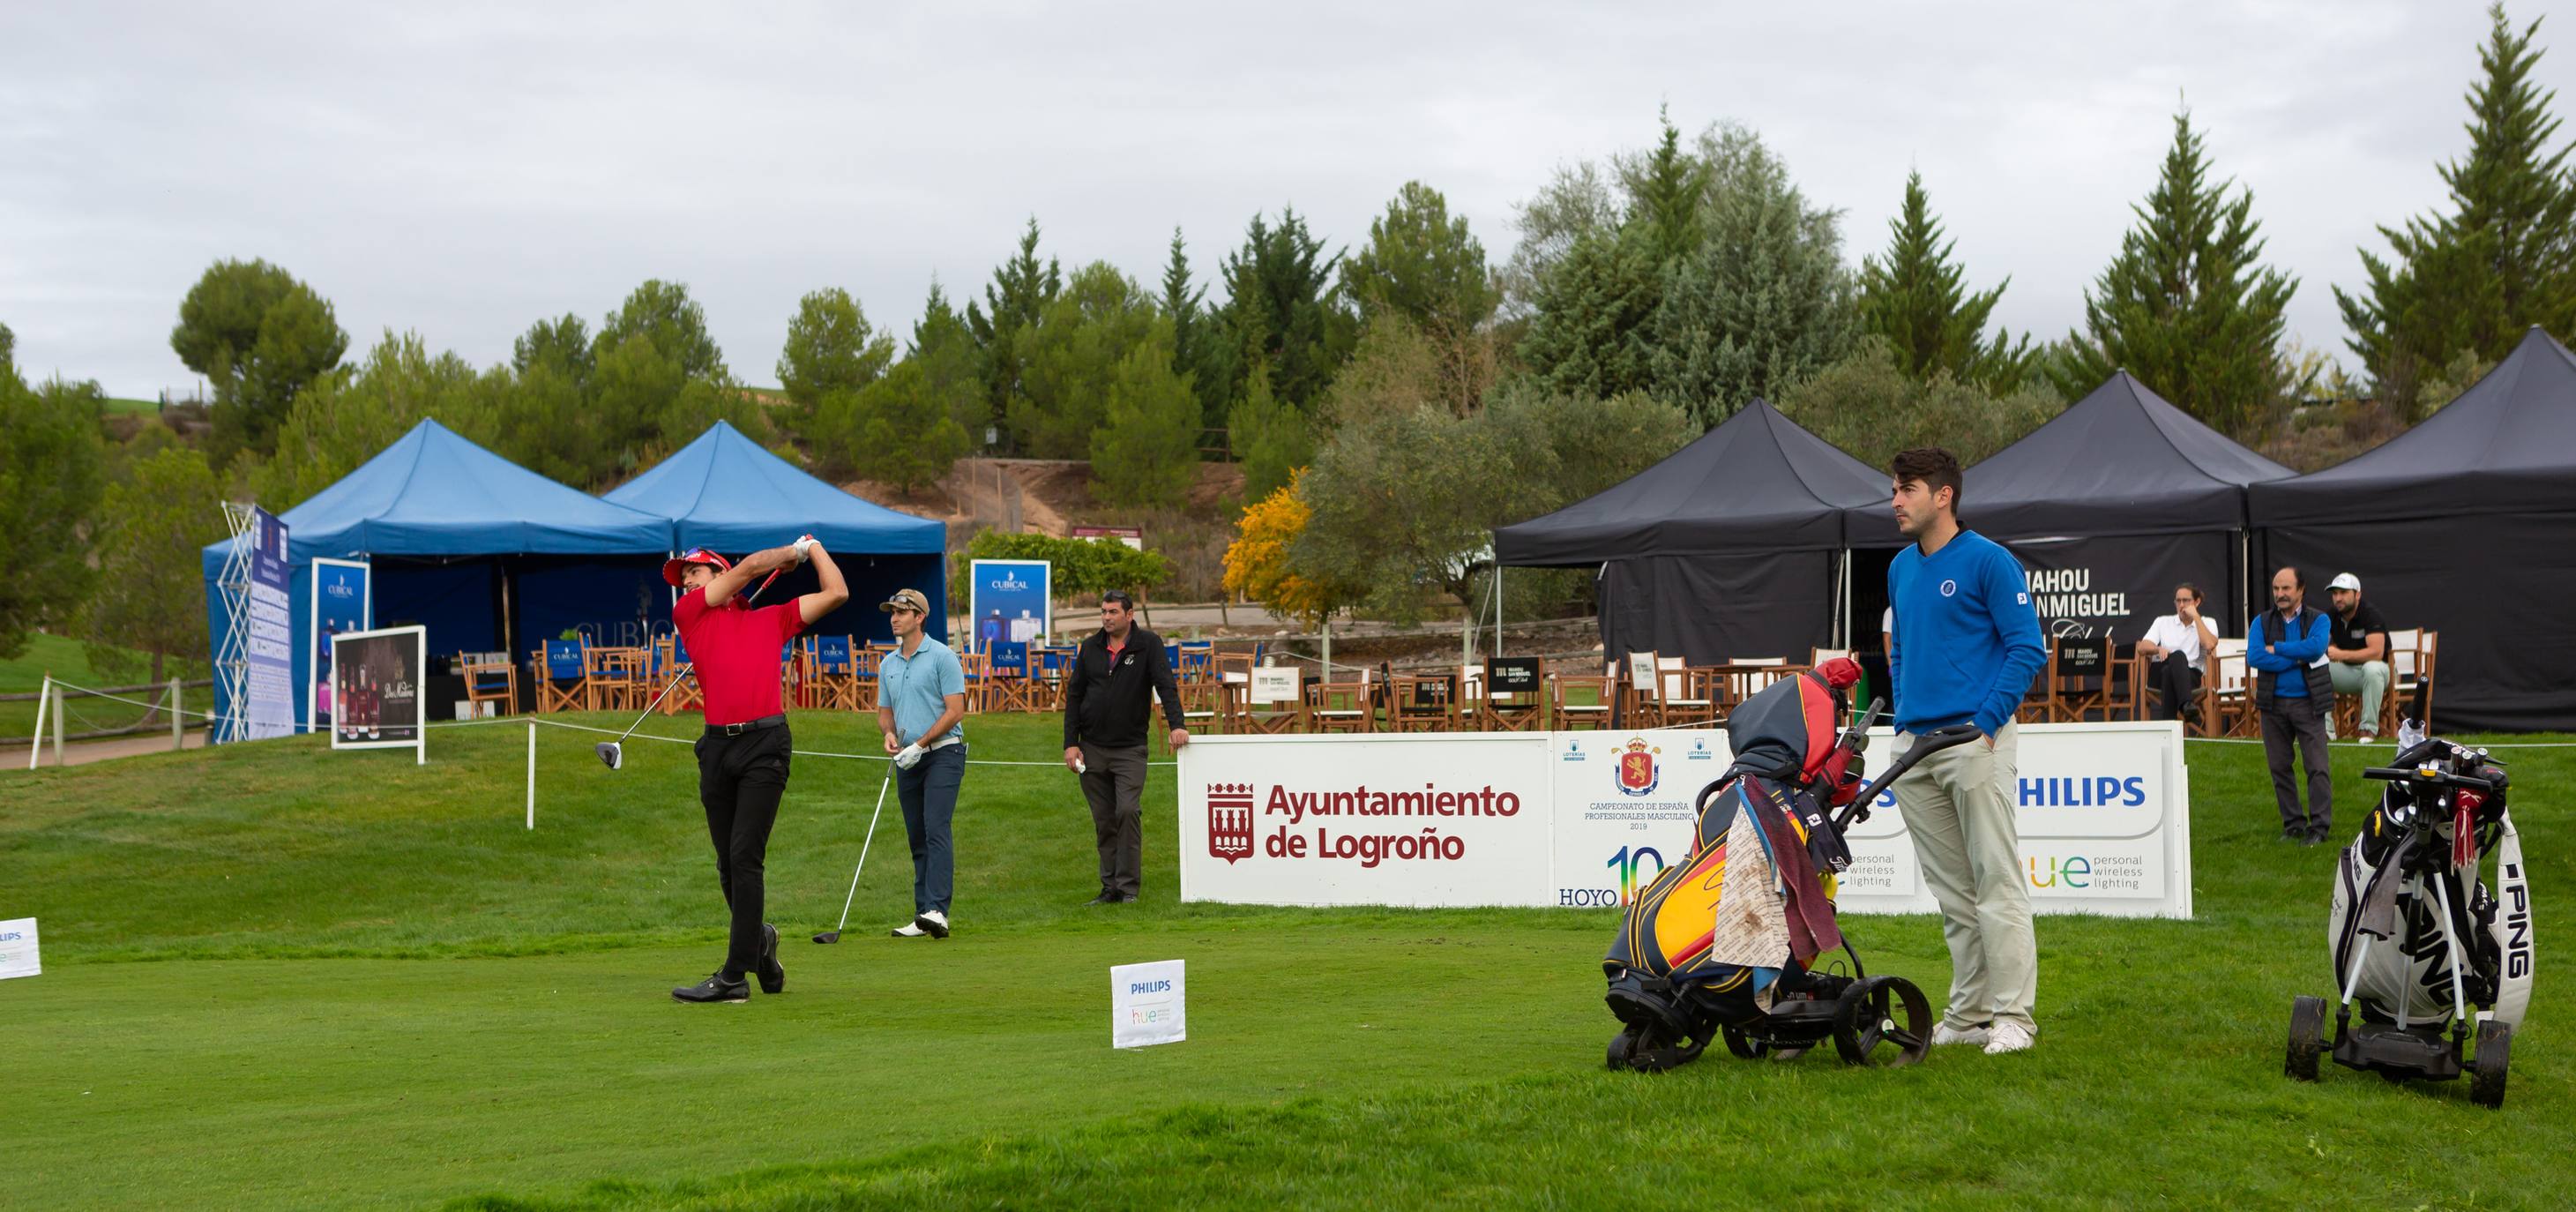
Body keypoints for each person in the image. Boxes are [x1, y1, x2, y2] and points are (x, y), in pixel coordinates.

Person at [1884, 446, 2048, 1056]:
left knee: (1996, 885)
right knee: (1954, 895)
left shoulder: (1989, 561)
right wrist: (1903, 719)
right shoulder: (1899, 567)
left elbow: (2026, 648)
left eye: (1906, 489)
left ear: (1942, 495)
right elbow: (1898, 651)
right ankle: (1970, 1013)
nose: (1894, 501)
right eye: (1894, 490)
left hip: (1973, 743)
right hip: (1914, 749)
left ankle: (2012, 1018)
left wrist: (1985, 724)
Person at [666, 537, 848, 1004]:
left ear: (718, 575)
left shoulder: (772, 618)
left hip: (765, 744)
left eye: (696, 572)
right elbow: (749, 567)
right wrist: (790, 553)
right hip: (716, 748)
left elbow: (836, 593)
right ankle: (760, 942)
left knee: (746, 856)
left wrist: (815, 550)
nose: (686, 580)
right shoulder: (689, 614)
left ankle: (733, 977)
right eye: (683, 575)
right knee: (728, 863)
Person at [1061, 590, 1186, 904]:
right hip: (1092, 748)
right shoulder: (1090, 648)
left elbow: (1165, 686)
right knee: (1104, 819)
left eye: (1113, 612)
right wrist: (1070, 745)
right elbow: (1074, 696)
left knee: (1127, 811)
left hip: (1130, 748)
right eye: (1103, 612)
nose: (1106, 618)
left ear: (1130, 615)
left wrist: (1177, 725)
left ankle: (1129, 888)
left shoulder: (1148, 645)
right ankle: (1110, 888)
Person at [877, 587, 967, 939]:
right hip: (907, 757)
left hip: (944, 751)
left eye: (901, 612)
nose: (894, 618)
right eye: (892, 612)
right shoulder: (888, 664)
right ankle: (922, 913)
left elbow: (956, 710)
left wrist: (921, 743)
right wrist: (888, 735)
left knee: (936, 828)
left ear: (919, 617)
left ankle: (938, 910)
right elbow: (885, 713)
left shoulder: (943, 657)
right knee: (917, 835)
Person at [2250, 566, 2334, 844]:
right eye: (2276, 589)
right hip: (2272, 704)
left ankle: (2319, 827)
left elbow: (2316, 649)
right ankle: (2294, 825)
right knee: (2279, 766)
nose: (2280, 594)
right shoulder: (2261, 622)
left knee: (2317, 767)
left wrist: (2280, 648)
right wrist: (2297, 657)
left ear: (2301, 590)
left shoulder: (2319, 619)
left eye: (2286, 588)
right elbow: (2256, 657)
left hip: (2309, 703)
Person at [2135, 583, 2218, 725]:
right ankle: (2187, 704)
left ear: (2196, 602)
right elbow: (2142, 647)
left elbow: (2210, 644)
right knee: (2175, 659)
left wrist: (2196, 618)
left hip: (2190, 676)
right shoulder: (2163, 621)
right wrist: (2158, 649)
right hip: (2159, 671)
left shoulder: (2207, 622)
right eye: (2178, 601)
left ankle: (2169, 727)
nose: (2181, 605)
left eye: (2186, 600)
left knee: (2170, 672)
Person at [2325, 572, 2392, 743]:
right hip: (2349, 672)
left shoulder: (2370, 615)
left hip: (2380, 672)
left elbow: (2376, 653)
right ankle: (2325, 731)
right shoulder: (2331, 615)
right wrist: (2328, 647)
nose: (2338, 598)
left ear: (2358, 594)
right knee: (2317, 668)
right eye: (2335, 593)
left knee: (2371, 667)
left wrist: (2340, 654)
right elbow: (2319, 642)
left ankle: (2368, 730)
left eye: (2343, 593)